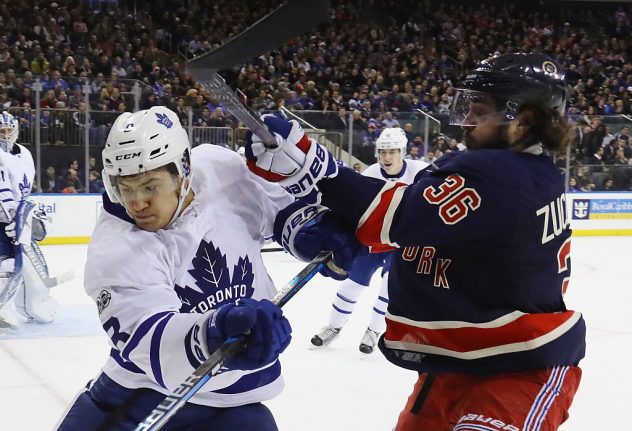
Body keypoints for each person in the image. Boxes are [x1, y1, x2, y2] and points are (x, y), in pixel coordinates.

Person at [246, 53, 585, 430]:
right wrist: (343, 224)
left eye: (480, 111)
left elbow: (392, 215)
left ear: (522, 121)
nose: (465, 123)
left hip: (519, 369)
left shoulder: (501, 172)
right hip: (459, 363)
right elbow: (422, 229)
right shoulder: (527, 171)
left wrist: (311, 165)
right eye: (466, 107)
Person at [54, 106, 309, 431]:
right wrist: (214, 332)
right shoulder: (116, 249)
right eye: (125, 187)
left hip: (234, 399)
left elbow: (279, 206)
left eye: (149, 186)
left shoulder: (220, 170)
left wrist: (305, 223)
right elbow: (151, 340)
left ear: (183, 171)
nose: (136, 203)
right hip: (144, 393)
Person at [311, 127, 427, 354]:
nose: (387, 157)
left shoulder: (419, 171)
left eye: (392, 151)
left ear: (402, 151)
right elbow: (356, 210)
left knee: (388, 289)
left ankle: (373, 331)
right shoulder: (371, 174)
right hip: (373, 242)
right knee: (351, 285)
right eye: (383, 152)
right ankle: (333, 327)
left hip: (402, 246)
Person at [0, 111, 55, 327]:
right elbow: (2, 189)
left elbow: (24, 190)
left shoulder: (24, 154)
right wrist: (13, 213)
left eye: (8, 131)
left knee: (27, 264)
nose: (4, 136)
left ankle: (38, 304)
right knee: (8, 265)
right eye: (0, 132)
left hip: (16, 218)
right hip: (3, 219)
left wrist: (26, 213)